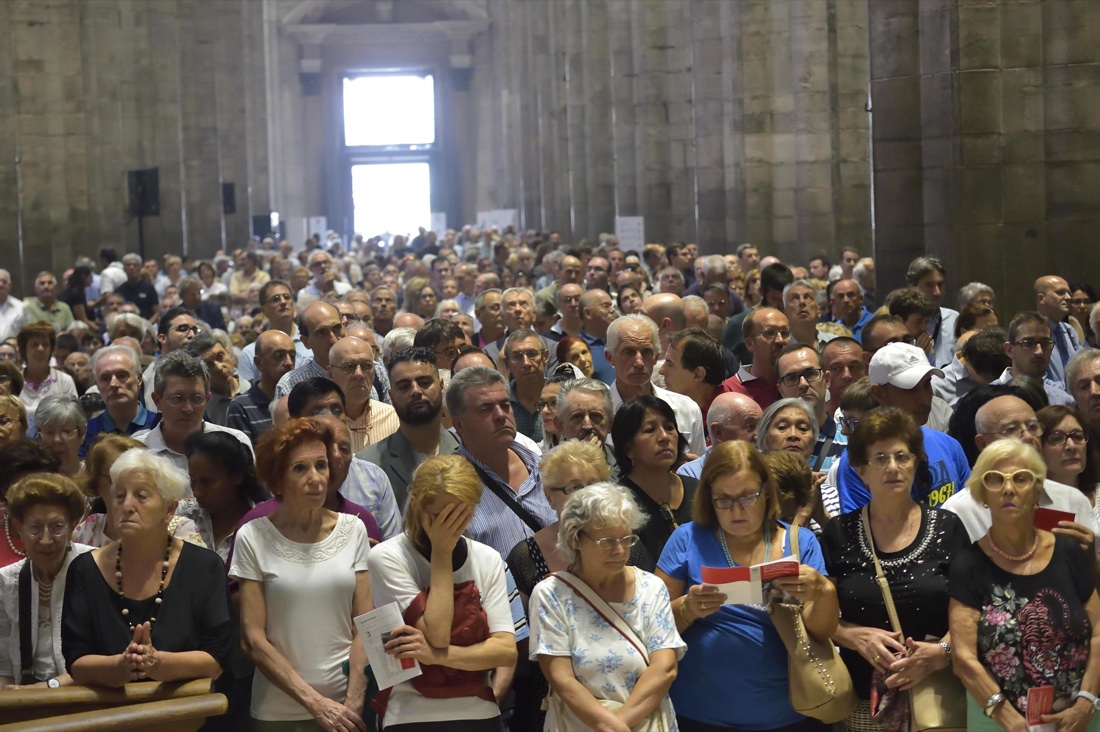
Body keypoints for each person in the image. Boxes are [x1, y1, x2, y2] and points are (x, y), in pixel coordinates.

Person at [657, 440, 838, 731]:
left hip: (790, 714)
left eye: (746, 497)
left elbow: (821, 632)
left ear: (766, 493)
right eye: (723, 500)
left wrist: (823, 592)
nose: (736, 510)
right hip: (698, 713)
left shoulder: (799, 541)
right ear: (709, 498)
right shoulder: (687, 538)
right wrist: (688, 608)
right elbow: (653, 627)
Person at [821, 407, 969, 731]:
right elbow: (819, 616)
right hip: (862, 703)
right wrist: (851, 636)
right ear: (860, 470)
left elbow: (974, 608)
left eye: (902, 456)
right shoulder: (839, 533)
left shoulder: (948, 526)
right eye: (880, 459)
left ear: (915, 462)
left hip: (935, 697)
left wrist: (942, 652)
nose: (893, 467)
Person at [948, 438, 1100, 730]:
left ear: (1037, 490)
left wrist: (1087, 701)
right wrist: (1012, 722)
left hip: (1080, 719)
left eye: (1020, 478)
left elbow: (1098, 630)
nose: (1008, 488)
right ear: (983, 493)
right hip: (1000, 723)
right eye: (995, 479)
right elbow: (963, 659)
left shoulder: (1068, 551)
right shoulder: (968, 565)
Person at [231, 418, 372, 730]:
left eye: (321, 465)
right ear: (277, 480)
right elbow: (252, 640)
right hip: (278, 711)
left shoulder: (354, 529)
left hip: (347, 707)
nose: (315, 479)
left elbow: (366, 625)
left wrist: (354, 700)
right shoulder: (253, 536)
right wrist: (316, 704)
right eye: (300, 468)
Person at [367, 454, 517, 731]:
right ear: (415, 505)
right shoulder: (386, 557)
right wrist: (442, 553)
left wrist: (436, 656)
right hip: (409, 713)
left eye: (460, 515)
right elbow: (437, 633)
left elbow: (506, 651)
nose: (450, 526)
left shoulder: (488, 558)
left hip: (478, 711)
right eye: (440, 516)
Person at [61, 449, 232, 687]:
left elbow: (217, 658)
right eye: (119, 496)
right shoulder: (85, 569)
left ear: (169, 509)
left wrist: (158, 663)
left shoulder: (205, 567)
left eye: (141, 496)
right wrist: (120, 666)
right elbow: (76, 662)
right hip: (108, 707)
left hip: (187, 706)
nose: (127, 505)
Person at [531, 481, 685, 732]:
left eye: (627, 539)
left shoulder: (651, 588)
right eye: (607, 541)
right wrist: (608, 726)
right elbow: (561, 678)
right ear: (575, 538)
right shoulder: (551, 594)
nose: (620, 550)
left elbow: (665, 668)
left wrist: (617, 726)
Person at [448, 366, 557, 557]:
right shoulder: (446, 489)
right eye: (485, 409)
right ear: (459, 424)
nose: (500, 415)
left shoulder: (547, 469)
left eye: (505, 405)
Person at [0, 473, 92, 688]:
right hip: (25, 695)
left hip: (84, 693)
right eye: (35, 528)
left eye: (57, 526)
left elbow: (106, 652)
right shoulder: (6, 581)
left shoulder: (96, 569)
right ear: (19, 528)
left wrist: (48, 687)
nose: (46, 539)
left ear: (72, 526)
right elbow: (4, 666)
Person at [359, 347, 460, 510]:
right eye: (404, 386)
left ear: (441, 387)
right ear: (391, 396)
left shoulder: (469, 451)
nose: (415, 391)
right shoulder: (368, 465)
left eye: (424, 382)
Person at [611, 394, 699, 571]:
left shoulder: (699, 489)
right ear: (628, 449)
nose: (664, 437)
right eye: (650, 430)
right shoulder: (617, 504)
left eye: (669, 427)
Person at [180, 430, 269, 561]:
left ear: (237, 476)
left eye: (207, 481)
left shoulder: (264, 525)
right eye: (193, 480)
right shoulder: (182, 515)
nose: (197, 491)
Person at [1037, 404, 1099, 524]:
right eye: (1057, 438)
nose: (1071, 446)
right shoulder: (1030, 505)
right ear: (1039, 449)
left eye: (1078, 436)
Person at [17, 321, 78, 435]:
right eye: (34, 344)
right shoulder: (15, 381)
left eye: (45, 344)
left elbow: (73, 419)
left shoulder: (65, 380)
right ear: (24, 349)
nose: (40, 348)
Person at [34, 394, 86, 477]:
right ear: (39, 433)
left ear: (82, 434)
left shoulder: (95, 477)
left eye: (66, 431)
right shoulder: (31, 479)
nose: (57, 440)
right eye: (49, 432)